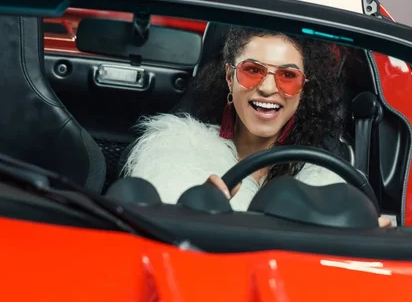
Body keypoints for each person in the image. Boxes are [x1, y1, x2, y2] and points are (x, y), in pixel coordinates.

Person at [123, 26, 393, 227]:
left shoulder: (325, 180)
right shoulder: (171, 156)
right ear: (230, 78)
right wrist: (189, 208)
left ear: (302, 91)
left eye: (288, 76)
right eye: (253, 70)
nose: (267, 88)